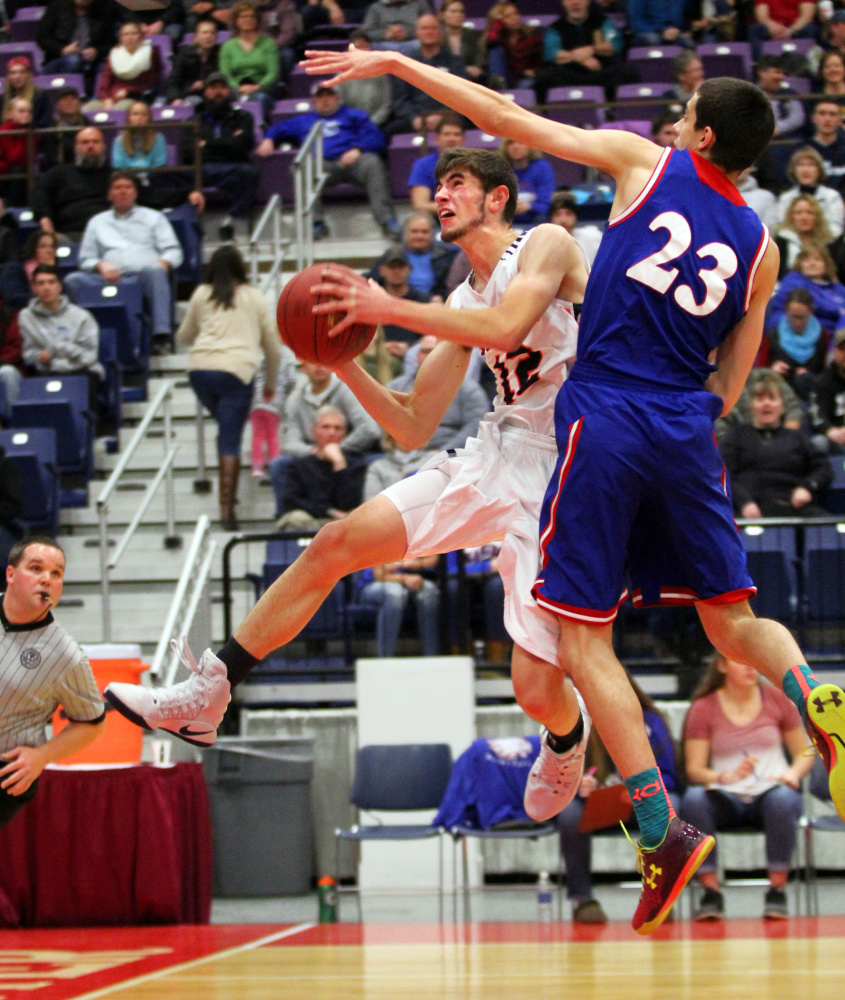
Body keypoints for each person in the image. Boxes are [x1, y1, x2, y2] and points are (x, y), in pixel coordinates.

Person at [290, 44, 845, 934]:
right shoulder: (763, 246)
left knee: (583, 640)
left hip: (606, 412)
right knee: (730, 620)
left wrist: (399, 65)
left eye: (683, 114)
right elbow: (732, 386)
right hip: (686, 427)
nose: (670, 123)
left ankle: (662, 834)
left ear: (699, 135)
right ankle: (815, 692)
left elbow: (506, 121)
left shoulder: (645, 162)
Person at [105, 147, 596, 852]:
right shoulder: (459, 297)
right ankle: (209, 691)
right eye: (439, 185)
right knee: (333, 544)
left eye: (457, 184)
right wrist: (343, 364)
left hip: (561, 476)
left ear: (497, 199)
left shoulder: (545, 244)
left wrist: (385, 306)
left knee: (533, 690)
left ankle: (566, 733)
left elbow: (505, 329)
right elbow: (410, 424)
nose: (440, 195)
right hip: (493, 456)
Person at [681, 653, 813, 920]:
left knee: (784, 800)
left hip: (771, 792)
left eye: (754, 660)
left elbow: (805, 751)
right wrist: (723, 777)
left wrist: (793, 773)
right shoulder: (704, 707)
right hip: (727, 797)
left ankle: (777, 890)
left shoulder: (777, 699)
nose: (751, 666)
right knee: (694, 799)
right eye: (741, 660)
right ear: (722, 666)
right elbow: (694, 770)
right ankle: (711, 893)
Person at [557, 674, 681, 924]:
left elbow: (669, 777)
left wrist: (639, 790)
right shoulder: (576, 724)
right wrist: (579, 784)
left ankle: (659, 896)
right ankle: (583, 899)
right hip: (599, 805)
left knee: (672, 806)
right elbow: (559, 774)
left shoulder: (651, 722)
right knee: (569, 815)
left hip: (643, 802)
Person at [0, 537, 105, 828]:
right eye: (36, 568)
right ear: (10, 575)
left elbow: (93, 722)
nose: (46, 579)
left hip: (6, 769)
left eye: (56, 573)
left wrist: (41, 757)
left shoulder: (66, 656)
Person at [179, 245, 280, 530]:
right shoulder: (254, 297)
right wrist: (270, 384)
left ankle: (227, 501)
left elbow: (185, 336)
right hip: (236, 372)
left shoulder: (201, 294)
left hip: (200, 370)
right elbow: (273, 349)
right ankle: (227, 509)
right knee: (230, 439)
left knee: (226, 431)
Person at [257, 82, 399, 241]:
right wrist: (268, 139)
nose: (325, 100)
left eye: (329, 95)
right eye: (320, 96)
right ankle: (315, 223)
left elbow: (377, 138)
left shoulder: (354, 115)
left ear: (338, 98)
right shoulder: (304, 120)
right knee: (301, 168)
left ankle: (387, 221)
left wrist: (358, 149)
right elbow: (279, 128)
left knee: (373, 163)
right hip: (321, 166)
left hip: (354, 162)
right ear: (313, 101)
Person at [65, 171, 183, 351]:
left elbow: (174, 251)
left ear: (135, 192)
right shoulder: (97, 222)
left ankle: (161, 336)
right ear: (109, 194)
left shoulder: (154, 217)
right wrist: (100, 265)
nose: (123, 192)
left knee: (156, 272)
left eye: (128, 187)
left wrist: (163, 262)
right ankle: (81, 337)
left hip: (143, 277)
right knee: (72, 280)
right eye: (117, 188)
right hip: (108, 278)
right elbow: (85, 258)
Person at [719, 369, 832, 518]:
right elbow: (724, 473)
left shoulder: (797, 438)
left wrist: (807, 488)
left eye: (772, 398)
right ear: (751, 406)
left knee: (829, 527)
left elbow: (823, 468)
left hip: (792, 509)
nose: (766, 404)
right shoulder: (735, 436)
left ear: (782, 407)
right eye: (759, 399)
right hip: (746, 512)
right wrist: (744, 502)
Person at [19, 265, 104, 412]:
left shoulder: (81, 316)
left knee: (83, 384)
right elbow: (28, 353)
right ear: (34, 289)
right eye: (41, 283)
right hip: (48, 371)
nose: (46, 288)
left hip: (81, 369)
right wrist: (38, 357)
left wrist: (57, 351)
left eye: (51, 282)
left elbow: (89, 356)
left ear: (59, 287)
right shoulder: (26, 316)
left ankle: (92, 431)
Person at [185, 72, 259, 241]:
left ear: (229, 91)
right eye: (213, 88)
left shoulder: (243, 117)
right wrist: (228, 143)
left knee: (250, 173)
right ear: (205, 92)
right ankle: (190, 231)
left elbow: (241, 147)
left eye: (222, 88)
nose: (218, 92)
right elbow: (188, 152)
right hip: (202, 171)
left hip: (233, 168)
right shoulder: (193, 121)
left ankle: (235, 223)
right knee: (166, 177)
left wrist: (207, 145)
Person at [387, 333, 488, 449]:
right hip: (399, 453)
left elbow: (476, 426)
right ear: (417, 355)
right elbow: (380, 421)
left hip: (450, 454)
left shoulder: (469, 390)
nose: (429, 356)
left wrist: (443, 453)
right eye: (425, 351)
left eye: (434, 351)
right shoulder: (396, 386)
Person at [276, 404, 367, 531]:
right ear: (314, 432)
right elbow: (291, 501)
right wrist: (328, 511)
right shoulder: (299, 465)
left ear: (344, 434)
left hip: (344, 523)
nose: (331, 432)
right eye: (325, 427)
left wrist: (339, 465)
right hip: (312, 521)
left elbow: (350, 503)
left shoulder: (356, 465)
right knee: (296, 519)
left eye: (337, 428)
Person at [533, 0, 635, 105]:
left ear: (588, 1)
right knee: (544, 77)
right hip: (570, 75)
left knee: (628, 72)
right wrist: (579, 57)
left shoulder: (603, 21)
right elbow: (552, 54)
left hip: (600, 72)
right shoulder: (555, 28)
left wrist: (592, 49)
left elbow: (614, 46)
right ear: (563, 3)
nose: (575, 3)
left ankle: (613, 112)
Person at [387, 14, 467, 138]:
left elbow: (461, 95)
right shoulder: (406, 63)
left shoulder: (454, 62)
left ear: (440, 32)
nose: (429, 32)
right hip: (416, 116)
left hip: (448, 115)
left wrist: (443, 115)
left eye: (433, 28)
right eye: (424, 28)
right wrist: (414, 118)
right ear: (417, 33)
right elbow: (400, 100)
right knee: (389, 131)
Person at [368, 211, 458, 302]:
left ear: (432, 234)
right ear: (405, 233)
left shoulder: (446, 257)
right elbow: (371, 282)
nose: (419, 236)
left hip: (433, 306)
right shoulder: (391, 256)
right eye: (414, 231)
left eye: (424, 232)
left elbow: (451, 286)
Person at [219, 0, 279, 123]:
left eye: (252, 16)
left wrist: (257, 87)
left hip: (262, 90)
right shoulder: (227, 47)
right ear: (236, 20)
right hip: (235, 90)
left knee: (259, 98)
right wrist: (238, 88)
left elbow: (272, 73)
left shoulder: (268, 43)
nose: (248, 19)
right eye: (244, 16)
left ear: (257, 20)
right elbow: (225, 74)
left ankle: (259, 128)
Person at [766, 286, 830, 397]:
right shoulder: (772, 335)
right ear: (786, 311)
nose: (798, 322)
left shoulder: (823, 336)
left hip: (813, 394)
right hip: (779, 393)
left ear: (811, 312)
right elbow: (758, 373)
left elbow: (828, 374)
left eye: (802, 317)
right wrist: (772, 371)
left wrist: (809, 376)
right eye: (794, 317)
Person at [86, 21, 163, 111]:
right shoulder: (114, 54)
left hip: (136, 97)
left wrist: (128, 91)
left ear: (141, 36)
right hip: (112, 96)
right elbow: (105, 83)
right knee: (88, 108)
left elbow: (151, 81)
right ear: (121, 38)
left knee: (121, 108)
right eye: (126, 34)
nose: (130, 37)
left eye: (134, 33)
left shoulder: (151, 53)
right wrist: (107, 99)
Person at [36, 0, 117, 86]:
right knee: (73, 61)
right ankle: (68, 93)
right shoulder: (57, 7)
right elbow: (42, 38)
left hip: (92, 61)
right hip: (58, 60)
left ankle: (96, 98)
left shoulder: (103, 12)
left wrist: (97, 51)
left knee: (105, 67)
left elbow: (112, 45)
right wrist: (63, 50)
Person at [767, 246, 845, 334]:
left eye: (817, 260)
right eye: (807, 260)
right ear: (800, 264)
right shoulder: (793, 280)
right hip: (794, 332)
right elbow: (809, 303)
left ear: (826, 264)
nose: (812, 263)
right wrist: (838, 311)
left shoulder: (837, 287)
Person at [773, 147, 845, 240]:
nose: (805, 170)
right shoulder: (786, 198)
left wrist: (814, 242)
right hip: (793, 246)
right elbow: (782, 228)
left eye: (811, 165)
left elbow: (836, 228)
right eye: (801, 165)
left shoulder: (831, 196)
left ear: (819, 169)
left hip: (826, 246)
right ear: (793, 170)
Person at [407, 113, 465, 218]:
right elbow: (420, 205)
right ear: (437, 138)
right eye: (447, 134)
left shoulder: (473, 164)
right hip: (436, 219)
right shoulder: (423, 165)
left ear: (463, 139)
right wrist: (454, 207)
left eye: (456, 134)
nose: (451, 138)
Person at [335, 31, 393, 128]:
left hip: (377, 125)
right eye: (357, 48)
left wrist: (371, 123)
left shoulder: (381, 74)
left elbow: (386, 105)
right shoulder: (341, 76)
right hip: (349, 126)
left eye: (365, 47)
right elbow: (339, 105)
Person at [773, 194, 838, 277]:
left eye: (809, 212)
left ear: (817, 216)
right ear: (791, 216)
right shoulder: (782, 240)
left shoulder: (829, 241)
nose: (804, 217)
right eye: (798, 213)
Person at [485, 1, 543, 91]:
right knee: (496, 50)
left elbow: (542, 62)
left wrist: (534, 72)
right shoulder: (499, 40)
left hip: (526, 78)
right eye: (508, 16)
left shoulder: (532, 36)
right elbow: (492, 41)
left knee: (525, 84)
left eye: (515, 14)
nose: (514, 18)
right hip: (507, 78)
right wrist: (496, 23)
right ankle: (498, 85)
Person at [500, 137, 555, 227]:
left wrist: (529, 206)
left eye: (521, 142)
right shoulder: (501, 168)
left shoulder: (542, 167)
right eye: (511, 143)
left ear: (530, 146)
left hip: (535, 217)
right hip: (508, 217)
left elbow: (546, 204)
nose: (516, 147)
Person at [165, 17, 221, 105]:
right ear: (196, 37)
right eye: (204, 33)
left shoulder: (219, 54)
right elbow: (174, 81)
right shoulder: (184, 54)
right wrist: (175, 98)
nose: (208, 36)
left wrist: (205, 84)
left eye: (212, 33)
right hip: (186, 95)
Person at [0, 231, 60, 311]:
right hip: (20, 313)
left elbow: (62, 296)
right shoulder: (15, 268)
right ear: (33, 249)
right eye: (43, 246)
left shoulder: (54, 270)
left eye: (52, 246)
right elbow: (14, 297)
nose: (49, 251)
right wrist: (44, 301)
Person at [39, 86, 91, 171]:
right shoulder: (51, 129)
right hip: (61, 171)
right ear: (57, 105)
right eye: (65, 99)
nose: (69, 102)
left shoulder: (88, 126)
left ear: (79, 103)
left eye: (73, 99)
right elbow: (52, 158)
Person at [811, 328, 845, 453]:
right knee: (819, 442)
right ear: (834, 352)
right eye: (842, 349)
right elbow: (817, 415)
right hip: (835, 437)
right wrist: (830, 430)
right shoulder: (823, 382)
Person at [755, 54, 805, 139]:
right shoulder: (748, 94)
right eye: (777, 72)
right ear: (762, 73)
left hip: (785, 141)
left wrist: (778, 129)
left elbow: (798, 118)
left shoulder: (790, 93)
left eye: (783, 73)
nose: (781, 77)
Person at [748, 0, 818, 61]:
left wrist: (790, 30)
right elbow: (762, 16)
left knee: (811, 30)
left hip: (797, 27)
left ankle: (811, 64)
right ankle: (760, 65)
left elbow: (807, 15)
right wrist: (773, 26)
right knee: (754, 30)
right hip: (773, 27)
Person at [111, 101, 167, 173]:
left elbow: (159, 165)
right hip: (128, 179)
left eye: (144, 115)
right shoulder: (119, 141)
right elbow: (118, 167)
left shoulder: (158, 139)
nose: (139, 118)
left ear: (149, 119)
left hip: (152, 178)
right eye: (135, 114)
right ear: (129, 118)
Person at [548, 191, 602, 265]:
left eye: (568, 214)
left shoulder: (592, 238)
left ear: (576, 217)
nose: (563, 220)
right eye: (557, 214)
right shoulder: (543, 244)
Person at [0, 98, 36, 208]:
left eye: (29, 112)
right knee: (18, 171)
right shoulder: (3, 131)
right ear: (10, 113)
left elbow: (29, 160)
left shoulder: (33, 133)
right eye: (21, 111)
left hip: (21, 174)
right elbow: (14, 158)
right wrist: (23, 132)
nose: (26, 115)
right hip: (3, 175)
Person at [439, 0, 484, 82]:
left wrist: (475, 68)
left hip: (470, 79)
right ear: (443, 15)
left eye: (461, 12)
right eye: (453, 11)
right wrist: (464, 69)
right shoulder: (438, 36)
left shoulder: (471, 35)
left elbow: (478, 59)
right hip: (444, 78)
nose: (458, 15)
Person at [806, 97, 845, 189]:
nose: (827, 119)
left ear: (839, 120)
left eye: (832, 114)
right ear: (814, 118)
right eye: (822, 113)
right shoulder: (801, 149)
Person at [1, 57, 50, 130]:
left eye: (22, 72)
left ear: (28, 75)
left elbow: (44, 124)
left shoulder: (40, 96)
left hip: (33, 138)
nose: (17, 76)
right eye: (13, 72)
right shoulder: (3, 99)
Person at [627, 0, 691, 48]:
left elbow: (683, 18)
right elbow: (635, 22)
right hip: (648, 31)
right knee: (653, 40)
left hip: (673, 31)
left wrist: (682, 29)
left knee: (688, 43)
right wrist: (661, 31)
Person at [361, 0, 430, 45]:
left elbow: (430, 27)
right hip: (382, 43)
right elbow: (368, 31)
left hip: (414, 42)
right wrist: (385, 34)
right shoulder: (375, 7)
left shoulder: (419, 5)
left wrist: (407, 33)